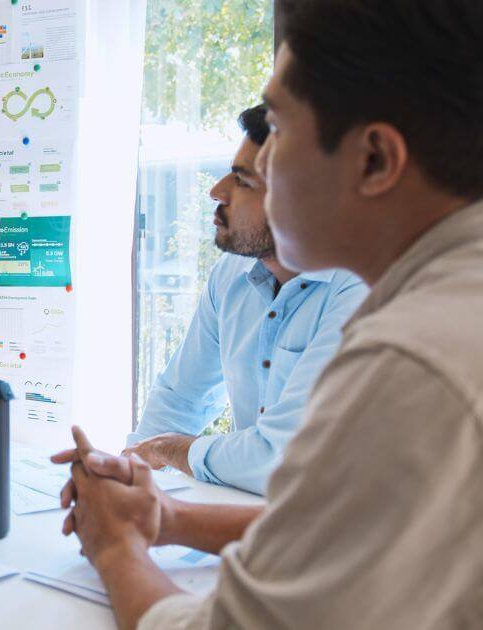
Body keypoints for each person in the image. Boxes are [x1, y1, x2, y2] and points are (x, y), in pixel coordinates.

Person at [56, 0, 483, 627]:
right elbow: (351, 527)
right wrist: (166, 517)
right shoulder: (479, 283)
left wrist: (115, 544)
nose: (256, 168)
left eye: (278, 125)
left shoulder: (416, 358)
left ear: (375, 159)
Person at [125, 105, 366, 495]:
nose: (217, 191)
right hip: (253, 519)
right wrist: (126, 469)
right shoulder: (231, 275)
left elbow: (280, 456)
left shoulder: (357, 291)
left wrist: (167, 450)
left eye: (243, 181)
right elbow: (182, 395)